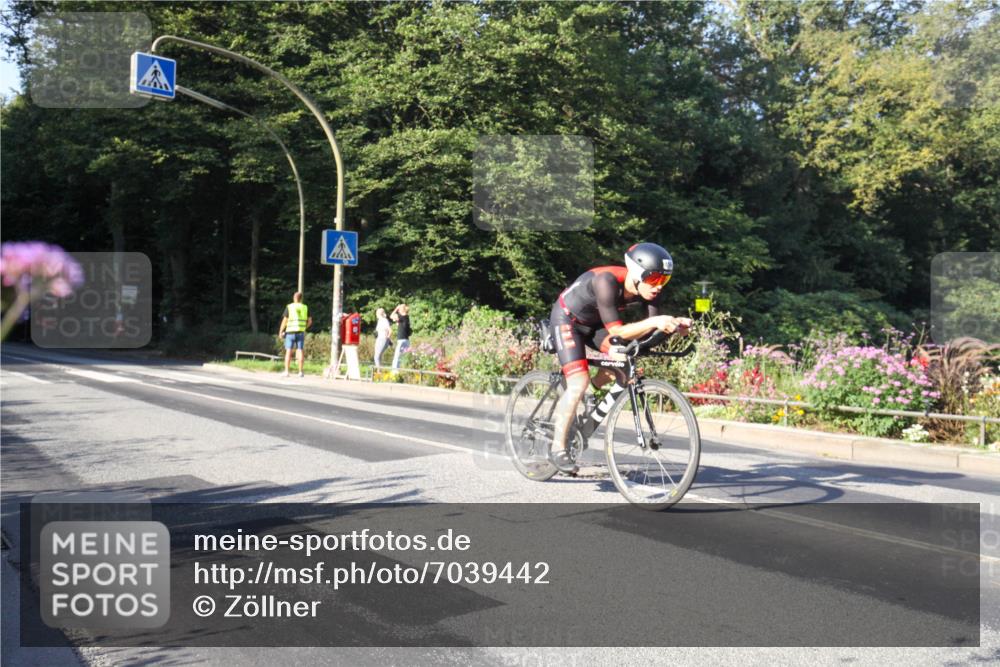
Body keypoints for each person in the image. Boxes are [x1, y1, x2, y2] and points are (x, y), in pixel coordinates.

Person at [548, 242, 691, 472]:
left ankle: (591, 393)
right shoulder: (606, 281)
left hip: (595, 325)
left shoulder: (650, 291)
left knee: (622, 361)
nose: (658, 287)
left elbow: (648, 335)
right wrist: (657, 321)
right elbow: (618, 332)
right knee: (578, 381)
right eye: (654, 279)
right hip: (568, 320)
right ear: (635, 274)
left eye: (664, 280)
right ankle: (557, 447)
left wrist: (672, 326)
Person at [279, 292, 312, 377]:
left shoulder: (290, 307)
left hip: (290, 332)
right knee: (300, 350)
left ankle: (287, 372)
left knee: (288, 351)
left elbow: (284, 321)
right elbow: (310, 321)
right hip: (300, 332)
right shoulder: (305, 307)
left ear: (294, 298)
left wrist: (281, 331)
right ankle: (300, 372)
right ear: (301, 299)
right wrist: (304, 327)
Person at [390, 303, 411, 370]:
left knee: (397, 356)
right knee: (404, 357)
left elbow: (391, 316)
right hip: (406, 339)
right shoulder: (406, 317)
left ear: (401, 310)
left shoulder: (402, 317)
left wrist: (396, 308)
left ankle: (395, 372)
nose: (398, 311)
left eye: (399, 310)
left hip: (401, 339)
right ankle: (402, 370)